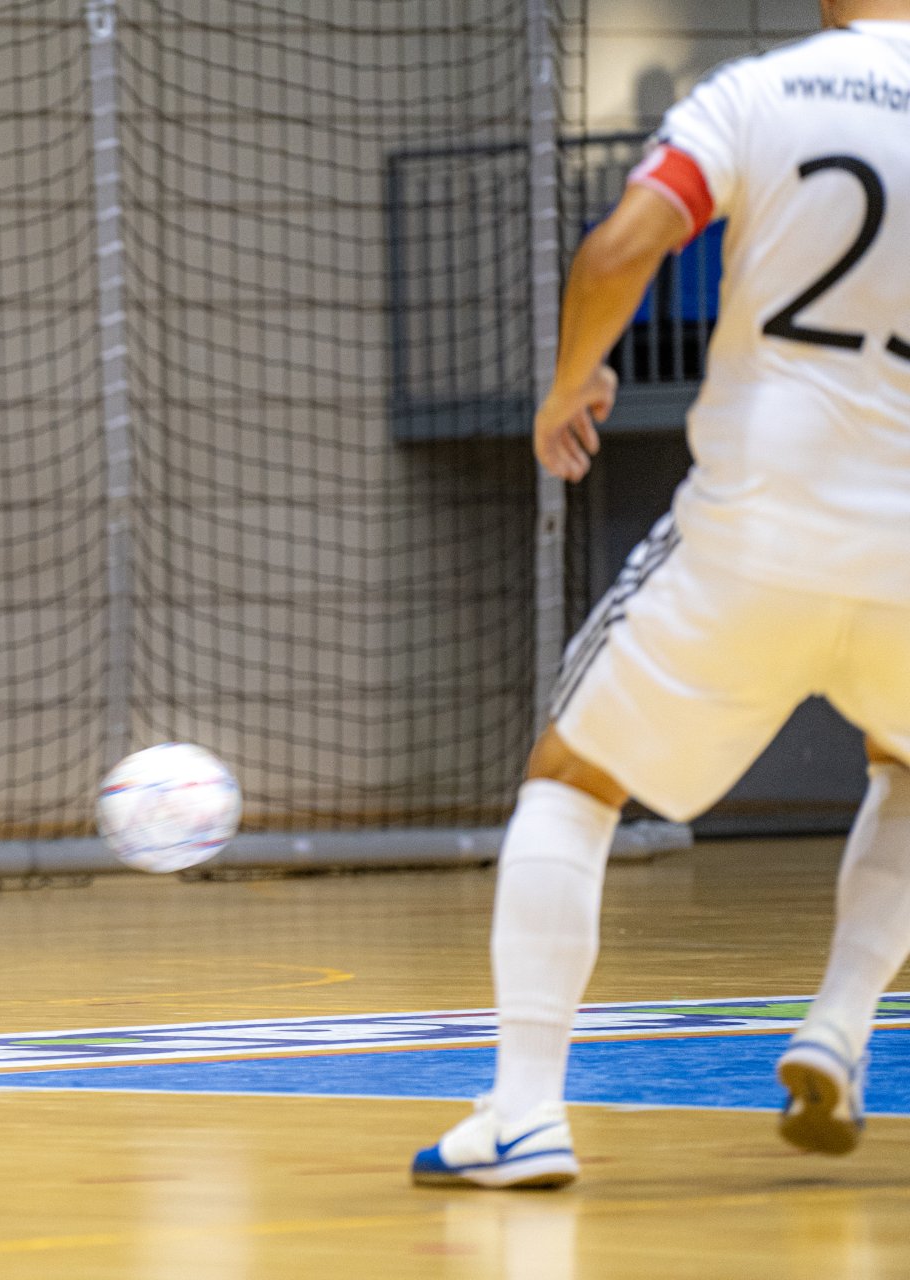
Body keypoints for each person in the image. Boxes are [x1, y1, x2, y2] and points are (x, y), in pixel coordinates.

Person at [412, 0, 910, 1190]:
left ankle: (526, 1107)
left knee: (573, 779)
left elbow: (621, 247)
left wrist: (570, 384)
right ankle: (839, 1025)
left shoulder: (759, 93)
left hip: (757, 527)